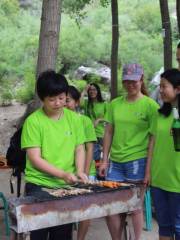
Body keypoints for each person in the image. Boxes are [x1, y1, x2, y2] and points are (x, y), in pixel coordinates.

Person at [21, 70, 87, 240]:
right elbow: (35, 158)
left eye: (61, 98)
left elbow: (80, 148)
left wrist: (79, 170)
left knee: (63, 234)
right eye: (52, 99)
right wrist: (62, 174)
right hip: (39, 185)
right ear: (42, 98)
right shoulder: (33, 122)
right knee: (40, 233)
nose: (58, 103)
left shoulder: (75, 119)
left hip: (66, 187)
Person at [99, 63, 158, 240]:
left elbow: (153, 140)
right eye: (126, 81)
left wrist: (148, 171)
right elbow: (108, 131)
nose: (130, 85)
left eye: (134, 81)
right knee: (111, 208)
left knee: (134, 207)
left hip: (137, 162)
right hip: (115, 163)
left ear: (141, 79)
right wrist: (104, 159)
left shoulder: (151, 106)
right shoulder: (115, 104)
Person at [151, 69, 180, 240]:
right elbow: (152, 144)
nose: (160, 90)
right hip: (159, 179)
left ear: (177, 89)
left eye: (164, 87)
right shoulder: (160, 115)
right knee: (164, 227)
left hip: (177, 181)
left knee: (178, 225)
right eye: (160, 86)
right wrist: (149, 173)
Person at [66, 85, 97, 240]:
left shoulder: (85, 121)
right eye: (62, 100)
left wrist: (84, 171)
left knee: (85, 209)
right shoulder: (59, 120)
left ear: (77, 102)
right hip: (67, 173)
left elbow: (89, 149)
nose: (65, 104)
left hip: (85, 171)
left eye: (68, 101)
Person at [81, 83, 108, 167]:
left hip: (101, 133)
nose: (92, 91)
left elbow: (109, 117)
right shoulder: (86, 103)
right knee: (93, 156)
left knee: (104, 154)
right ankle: (95, 173)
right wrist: (84, 90)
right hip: (90, 133)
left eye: (94, 89)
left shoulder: (104, 104)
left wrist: (99, 120)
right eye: (90, 90)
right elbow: (79, 102)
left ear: (98, 91)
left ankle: (102, 171)